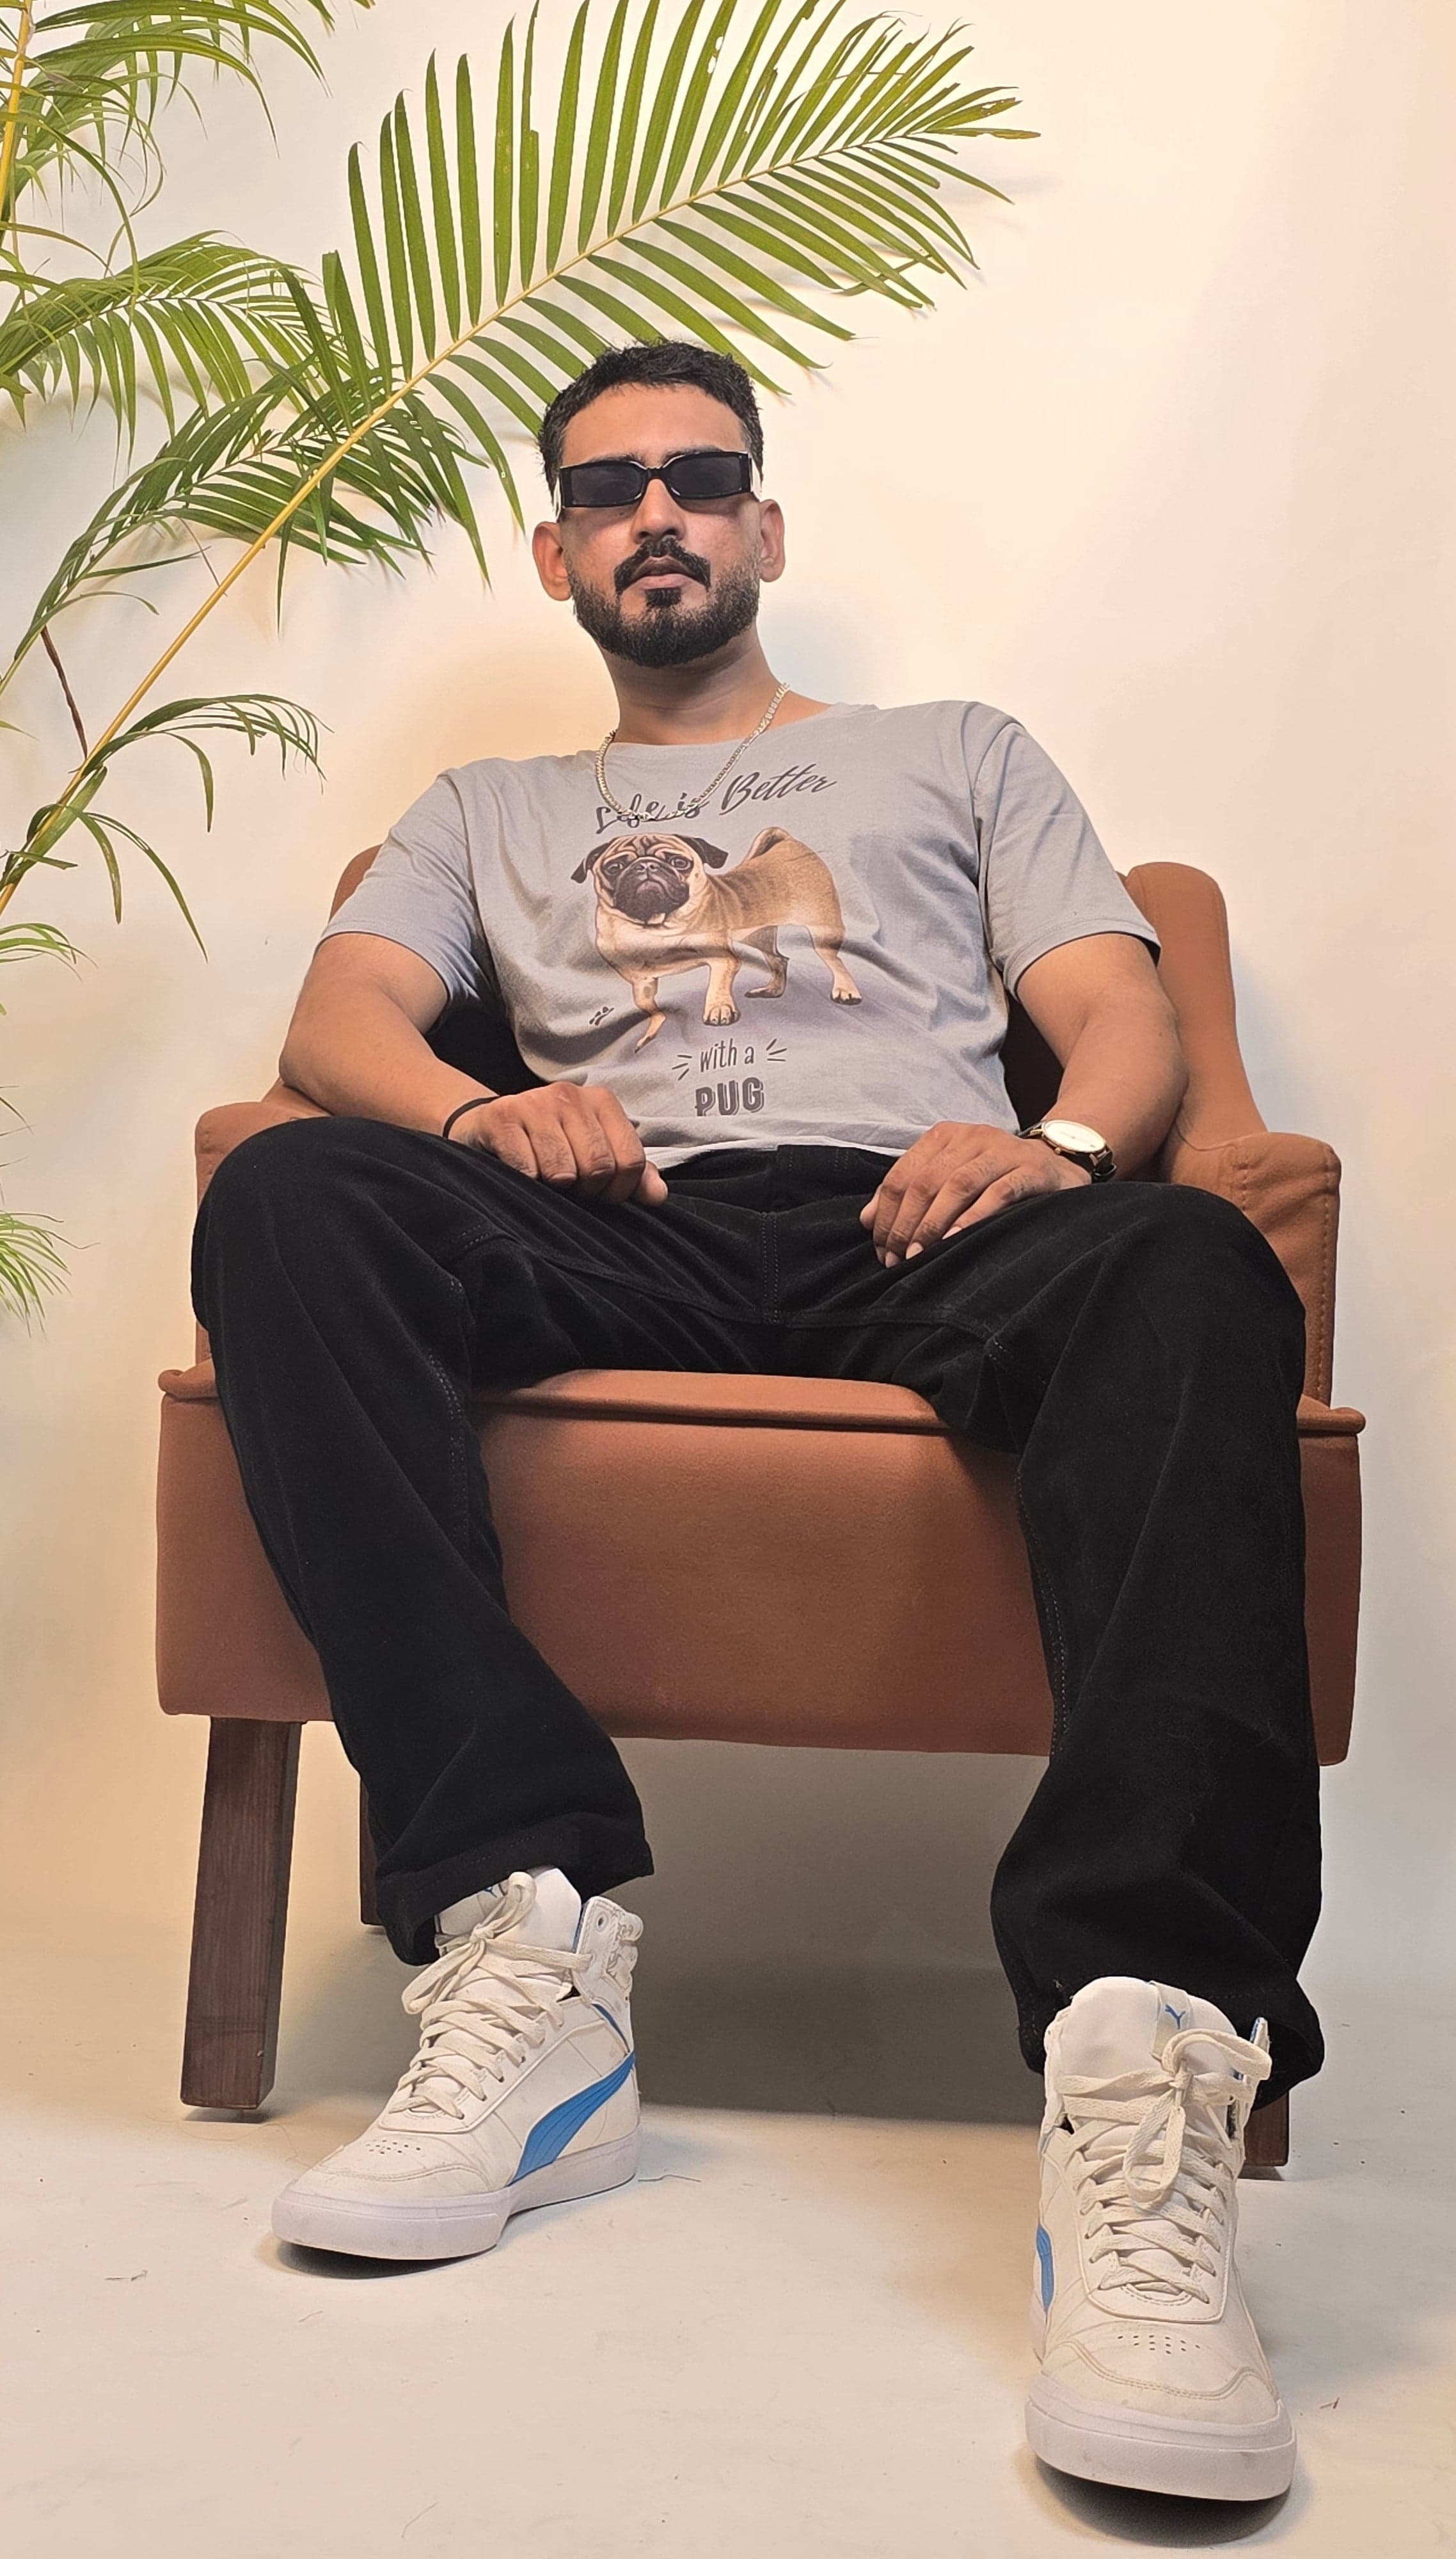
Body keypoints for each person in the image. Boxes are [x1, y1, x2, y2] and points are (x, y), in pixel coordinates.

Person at [191, 340, 1321, 2504]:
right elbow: (341, 1018)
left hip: (923, 1215)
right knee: (296, 1191)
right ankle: (527, 1936)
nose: (659, 513)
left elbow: (1112, 1004)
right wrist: (487, 1106)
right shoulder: (482, 814)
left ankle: (1143, 2041)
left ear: (764, 527)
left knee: (1188, 1264)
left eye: (701, 478)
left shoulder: (950, 754)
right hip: (622, 1220)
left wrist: (1064, 1148)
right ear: (558, 550)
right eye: (610, 488)